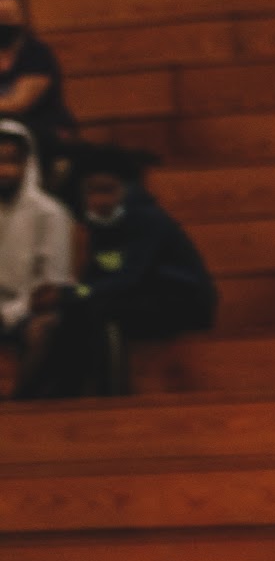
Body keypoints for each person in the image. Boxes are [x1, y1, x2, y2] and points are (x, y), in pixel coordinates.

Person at [16, 142, 216, 398]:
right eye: (92, 191)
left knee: (101, 312)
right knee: (70, 315)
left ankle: (111, 397)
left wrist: (68, 295)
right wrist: (65, 297)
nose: (100, 200)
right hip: (135, 296)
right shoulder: (99, 222)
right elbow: (98, 277)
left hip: (179, 299)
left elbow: (128, 279)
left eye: (108, 190)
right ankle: (49, 394)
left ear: (126, 189)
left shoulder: (146, 219)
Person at [0, 121, 73, 391]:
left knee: (46, 326)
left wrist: (11, 312)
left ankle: (23, 406)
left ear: (27, 164)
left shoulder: (50, 213)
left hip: (28, 309)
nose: (4, 170)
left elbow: (51, 285)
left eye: (11, 161)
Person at [0, 0, 77, 175]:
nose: (3, 23)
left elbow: (18, 104)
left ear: (24, 19)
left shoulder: (36, 54)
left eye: (8, 17)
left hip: (41, 131)